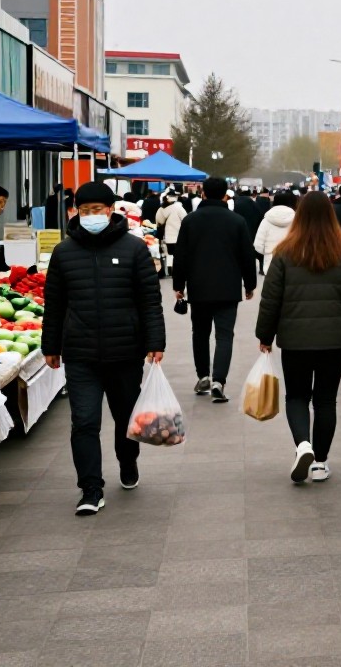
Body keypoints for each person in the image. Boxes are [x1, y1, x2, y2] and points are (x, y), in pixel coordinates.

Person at [41, 182, 166, 516]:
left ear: (111, 211)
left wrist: (156, 342)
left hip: (125, 352)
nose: (90, 216)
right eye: (84, 210)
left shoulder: (134, 249)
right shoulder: (64, 253)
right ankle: (91, 488)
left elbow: (149, 301)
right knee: (83, 421)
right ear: (75, 212)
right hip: (80, 354)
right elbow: (53, 304)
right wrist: (50, 345)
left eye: (97, 210)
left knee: (125, 417)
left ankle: (128, 462)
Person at [254, 192, 341, 485]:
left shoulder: (284, 252)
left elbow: (271, 300)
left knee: (296, 396)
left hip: (295, 340)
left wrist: (265, 335)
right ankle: (319, 462)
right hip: (334, 340)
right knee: (326, 400)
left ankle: (302, 444)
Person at [172, 177, 258, 403]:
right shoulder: (237, 221)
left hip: (198, 288)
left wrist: (178, 285)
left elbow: (181, 255)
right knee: (224, 335)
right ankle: (219, 380)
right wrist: (250, 284)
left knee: (199, 333)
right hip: (228, 288)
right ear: (225, 195)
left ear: (202, 194)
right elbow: (247, 257)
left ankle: (203, 376)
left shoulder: (190, 221)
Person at [254, 190, 299, 263]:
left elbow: (258, 246)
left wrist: (267, 253)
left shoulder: (266, 220)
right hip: (293, 263)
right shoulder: (298, 221)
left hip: (270, 263)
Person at [154, 192, 187, 278]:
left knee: (169, 253)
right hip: (177, 235)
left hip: (167, 236)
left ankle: (169, 270)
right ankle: (176, 271)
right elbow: (185, 220)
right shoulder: (178, 208)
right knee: (177, 254)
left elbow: (158, 222)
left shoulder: (161, 209)